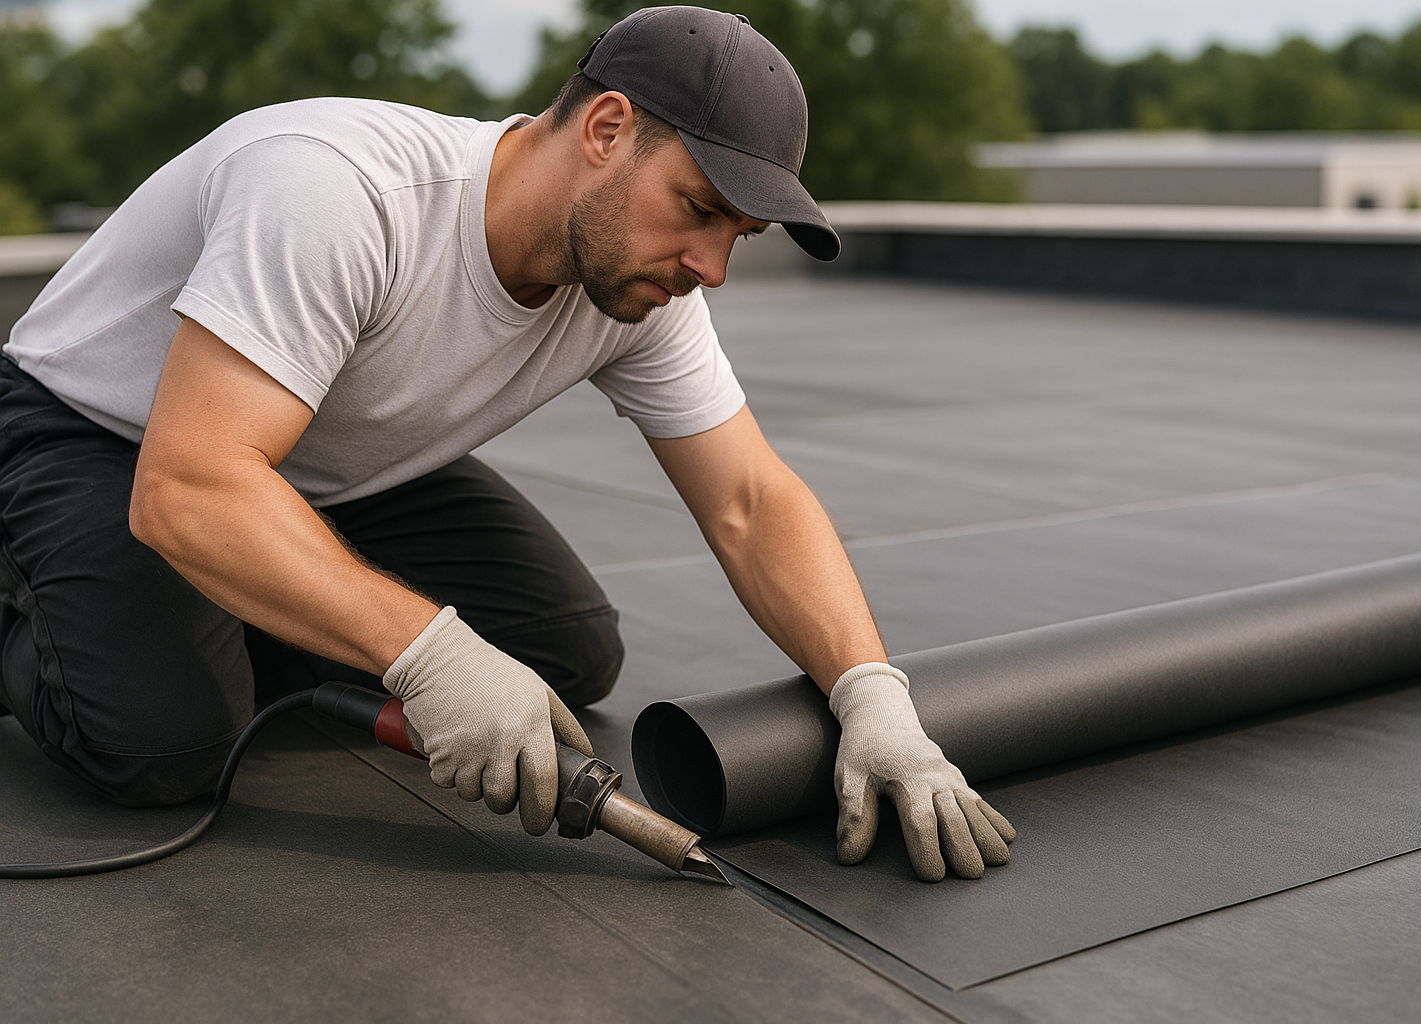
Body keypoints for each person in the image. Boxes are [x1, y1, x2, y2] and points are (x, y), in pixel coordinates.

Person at [0, 6, 1012, 881]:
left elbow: (748, 498)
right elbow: (190, 483)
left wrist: (872, 696)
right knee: (164, 743)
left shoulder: (640, 289)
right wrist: (425, 655)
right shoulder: (339, 192)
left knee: (563, 648)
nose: (710, 264)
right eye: (699, 210)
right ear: (608, 128)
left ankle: (252, 592)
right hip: (96, 434)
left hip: (320, 462)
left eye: (737, 236)